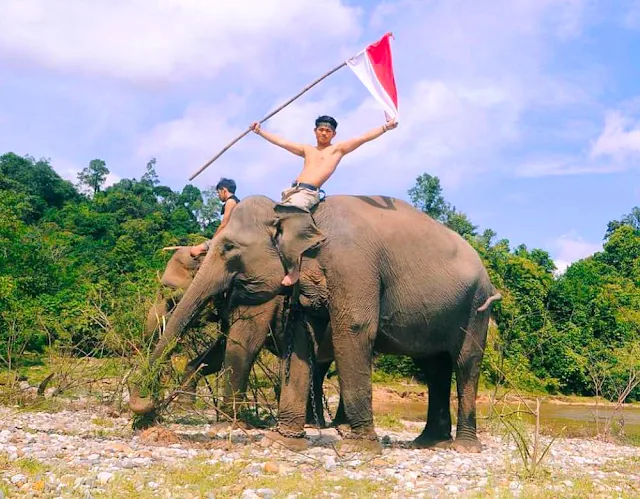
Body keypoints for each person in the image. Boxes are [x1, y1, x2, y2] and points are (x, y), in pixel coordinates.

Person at [250, 114, 398, 285]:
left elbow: (363, 138)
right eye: (321, 129)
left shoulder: (338, 149)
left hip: (308, 194)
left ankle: (294, 271)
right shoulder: (308, 150)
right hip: (291, 191)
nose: (324, 133)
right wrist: (260, 131)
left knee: (293, 220)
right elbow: (282, 143)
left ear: (333, 134)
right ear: (315, 131)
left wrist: (385, 127)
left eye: (328, 131)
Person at [190, 178, 240, 257]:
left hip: (229, 239)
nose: (218, 195)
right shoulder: (236, 201)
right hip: (232, 237)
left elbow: (224, 224)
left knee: (194, 251)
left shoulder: (230, 202)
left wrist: (213, 240)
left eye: (218, 192)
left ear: (224, 190)